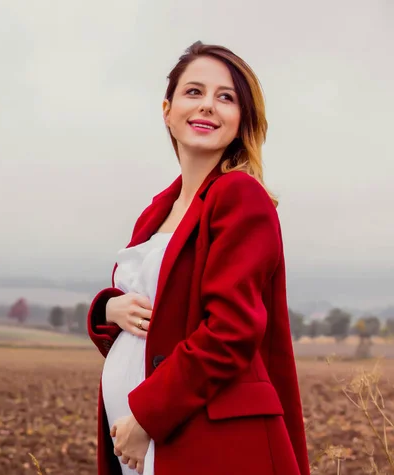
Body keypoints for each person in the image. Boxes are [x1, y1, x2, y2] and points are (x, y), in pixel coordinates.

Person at [87, 41, 310, 475]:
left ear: (241, 118)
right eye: (194, 92)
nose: (208, 105)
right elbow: (156, 319)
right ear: (167, 110)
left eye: (225, 97)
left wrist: (149, 415)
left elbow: (232, 329)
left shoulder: (240, 195)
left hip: (205, 440)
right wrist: (108, 308)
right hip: (146, 441)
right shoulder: (157, 210)